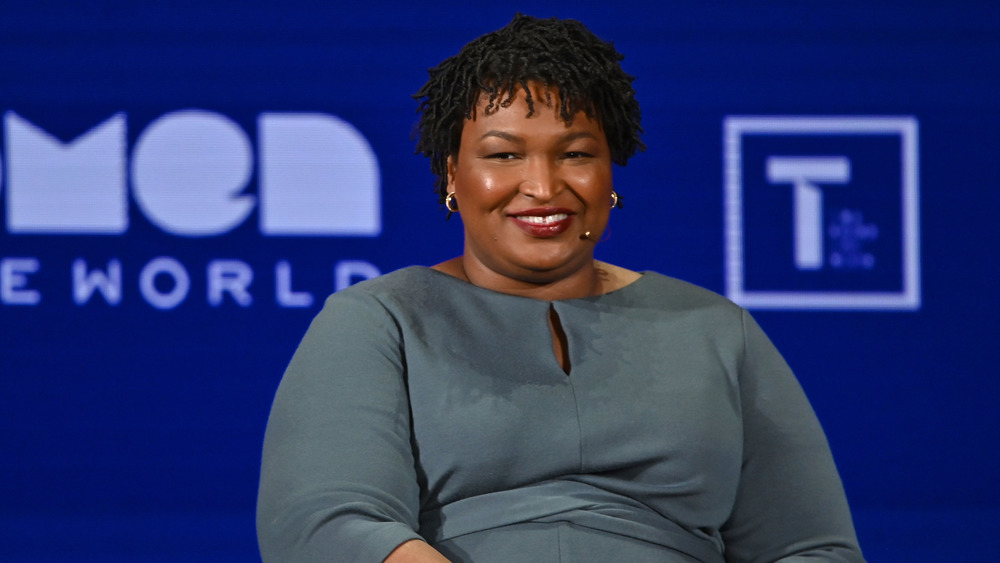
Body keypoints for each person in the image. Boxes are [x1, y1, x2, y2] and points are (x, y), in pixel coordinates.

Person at [256, 13, 865, 563]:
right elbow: (326, 524)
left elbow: (813, 547)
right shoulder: (378, 320)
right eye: (504, 156)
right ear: (452, 173)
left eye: (575, 153)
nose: (544, 188)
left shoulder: (714, 328)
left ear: (609, 171)